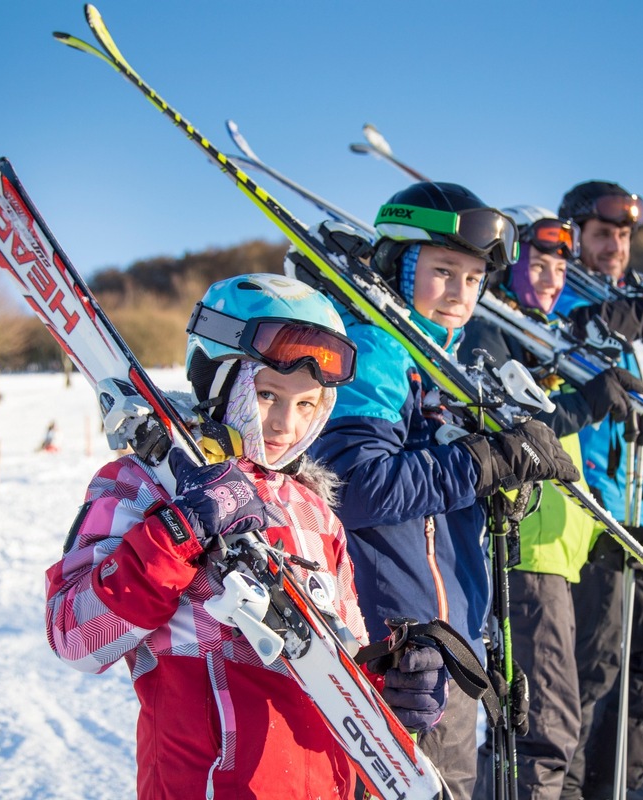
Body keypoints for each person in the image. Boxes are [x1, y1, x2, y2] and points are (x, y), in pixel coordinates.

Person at [45, 274, 447, 800]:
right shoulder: (143, 487)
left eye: (307, 405)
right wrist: (179, 530)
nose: (286, 424)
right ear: (218, 380)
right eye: (266, 394)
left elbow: (331, 662)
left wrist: (390, 684)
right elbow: (74, 635)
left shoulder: (313, 511)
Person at [307, 183, 581, 799]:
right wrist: (482, 462)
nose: (461, 293)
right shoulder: (375, 354)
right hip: (401, 647)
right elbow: (355, 487)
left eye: (475, 277)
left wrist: (496, 483)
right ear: (398, 268)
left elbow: (434, 494)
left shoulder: (444, 365)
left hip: (447, 638)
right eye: (443, 272)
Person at [459, 206, 643, 800]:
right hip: (522, 554)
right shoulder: (490, 331)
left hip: (558, 554)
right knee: (543, 732)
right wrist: (589, 400)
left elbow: (565, 448)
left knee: (547, 724)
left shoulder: (541, 337)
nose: (552, 275)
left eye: (559, 264)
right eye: (538, 261)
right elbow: (519, 431)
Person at [555, 181, 643, 800]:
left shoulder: (619, 324)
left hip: (636, 519)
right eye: (603, 233)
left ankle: (617, 784)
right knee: (586, 676)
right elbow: (583, 329)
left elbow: (623, 424)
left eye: (623, 235)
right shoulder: (551, 301)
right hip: (586, 524)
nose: (616, 245)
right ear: (573, 236)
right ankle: (560, 790)